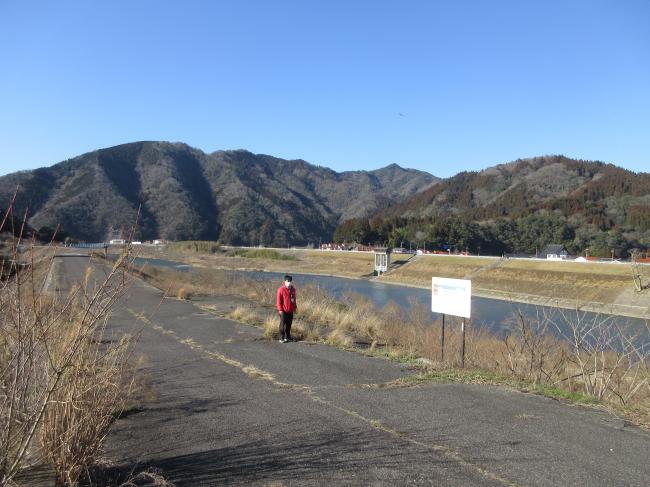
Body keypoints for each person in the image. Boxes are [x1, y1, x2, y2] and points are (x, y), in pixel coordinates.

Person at [276, 274, 297, 343]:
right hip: (283, 311)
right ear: (284, 281)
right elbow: (278, 301)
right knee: (282, 325)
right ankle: (281, 338)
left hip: (290, 310)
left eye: (290, 281)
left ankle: (287, 337)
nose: (289, 282)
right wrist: (280, 310)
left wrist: (295, 308)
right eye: (287, 281)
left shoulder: (293, 289)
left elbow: (294, 299)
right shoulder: (281, 289)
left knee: (289, 325)